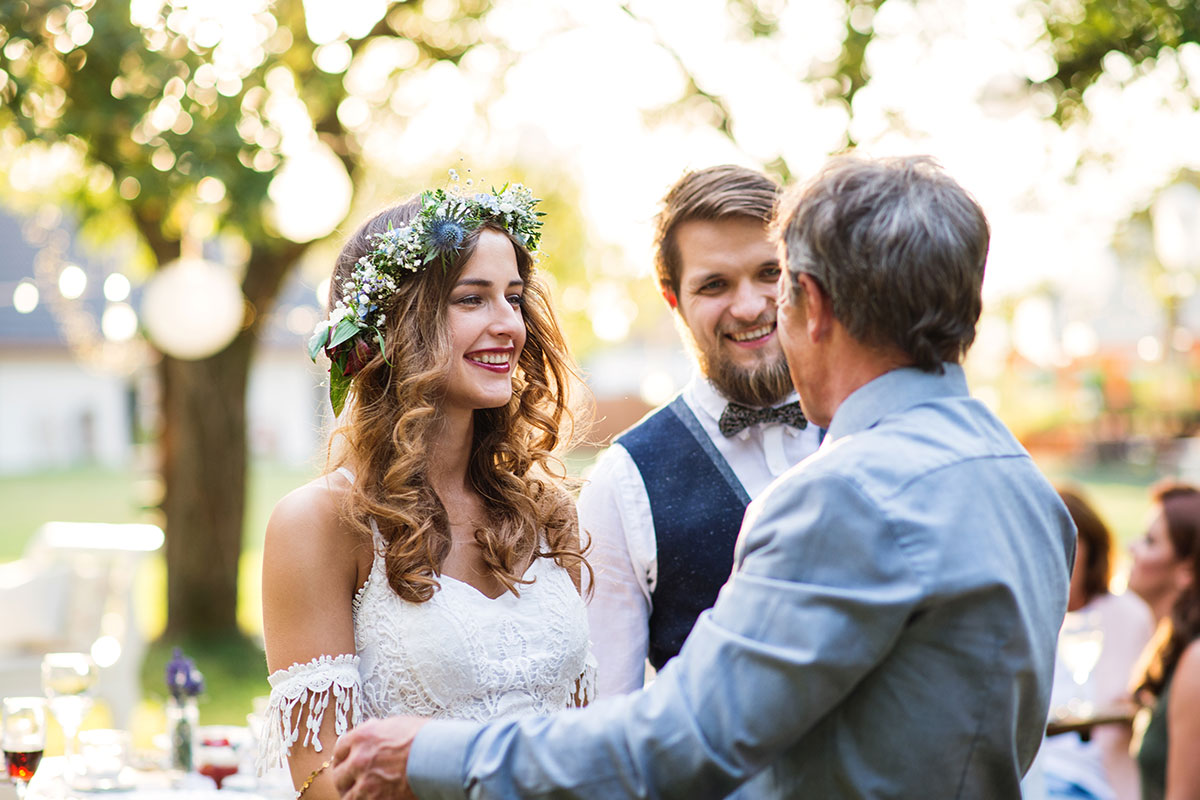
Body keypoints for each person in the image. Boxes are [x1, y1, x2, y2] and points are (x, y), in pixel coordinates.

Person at [330, 155, 1076, 799]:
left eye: (777, 287)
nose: (758, 312)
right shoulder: (1025, 485)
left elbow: (682, 740)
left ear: (809, 305)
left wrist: (427, 754)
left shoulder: (843, 495)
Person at [257, 179, 595, 800]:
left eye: (514, 299)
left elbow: (580, 738)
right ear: (393, 323)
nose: (508, 326)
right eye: (472, 299)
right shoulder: (322, 523)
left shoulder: (546, 513)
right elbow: (321, 782)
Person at [580, 165, 822, 695]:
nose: (750, 305)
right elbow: (610, 718)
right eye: (715, 284)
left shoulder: (868, 425)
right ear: (673, 299)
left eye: (769, 273)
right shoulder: (623, 483)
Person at [1034, 487, 1154, 800]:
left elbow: (1140, 702)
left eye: (1067, 540)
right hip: (1032, 771)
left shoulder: (1126, 615)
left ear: (1091, 548)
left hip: (1089, 777)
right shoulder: (1027, 616)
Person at [1128, 482, 1200, 800]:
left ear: (1186, 570)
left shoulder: (1196, 662)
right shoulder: (1172, 646)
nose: (1132, 547)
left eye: (1150, 541)